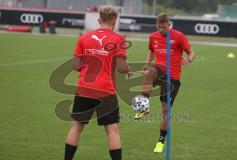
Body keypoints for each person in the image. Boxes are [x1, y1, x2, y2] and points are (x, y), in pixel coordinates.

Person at [64, 7, 131, 160]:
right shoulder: (118, 39)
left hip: (84, 89)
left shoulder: (84, 37)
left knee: (76, 127)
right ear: (114, 22)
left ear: (99, 20)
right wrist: (128, 68)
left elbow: (76, 66)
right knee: (112, 130)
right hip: (105, 90)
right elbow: (121, 68)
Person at [134, 13, 196, 153]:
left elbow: (191, 53)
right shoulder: (153, 36)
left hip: (173, 76)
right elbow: (151, 50)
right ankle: (143, 107)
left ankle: (160, 142)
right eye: (159, 27)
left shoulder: (179, 36)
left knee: (165, 111)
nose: (162, 30)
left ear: (169, 24)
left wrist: (189, 59)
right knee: (149, 72)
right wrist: (147, 63)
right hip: (159, 70)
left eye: (164, 27)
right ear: (157, 24)